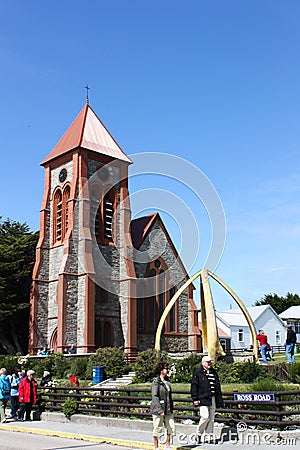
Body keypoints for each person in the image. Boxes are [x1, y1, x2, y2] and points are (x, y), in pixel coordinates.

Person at [191, 356, 224, 445]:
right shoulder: (198, 373)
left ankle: (209, 436)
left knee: (211, 418)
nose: (209, 364)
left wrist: (219, 399)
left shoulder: (213, 372)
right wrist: (195, 398)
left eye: (210, 362)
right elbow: (194, 386)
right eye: (207, 362)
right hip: (202, 398)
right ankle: (198, 434)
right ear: (203, 363)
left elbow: (217, 386)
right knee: (205, 416)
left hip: (212, 397)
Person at [150, 361, 175, 450]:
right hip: (158, 409)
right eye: (166, 368)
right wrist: (159, 410)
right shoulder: (156, 382)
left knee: (170, 427)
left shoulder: (167, 381)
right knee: (157, 428)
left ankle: (167, 445)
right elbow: (154, 396)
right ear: (161, 370)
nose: (167, 370)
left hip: (168, 408)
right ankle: (156, 447)